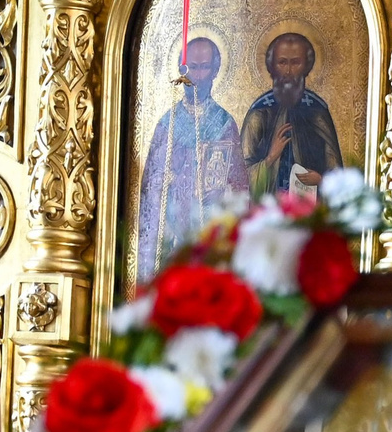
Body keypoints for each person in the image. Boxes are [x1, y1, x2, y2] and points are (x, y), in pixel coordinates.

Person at [135, 34, 245, 282]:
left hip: (211, 231)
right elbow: (150, 189)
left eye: (203, 67)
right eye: (190, 67)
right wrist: (164, 181)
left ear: (215, 70)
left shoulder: (225, 124)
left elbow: (239, 187)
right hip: (174, 232)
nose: (196, 75)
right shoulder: (168, 123)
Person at [243, 32, 345, 197]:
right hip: (267, 212)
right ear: (272, 66)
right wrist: (270, 158)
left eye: (296, 62)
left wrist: (320, 180)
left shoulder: (317, 111)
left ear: (307, 66)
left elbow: (337, 173)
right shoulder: (260, 112)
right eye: (282, 62)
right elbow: (240, 177)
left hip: (310, 214)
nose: (288, 71)